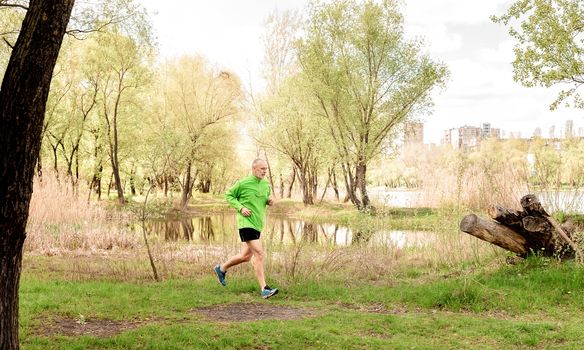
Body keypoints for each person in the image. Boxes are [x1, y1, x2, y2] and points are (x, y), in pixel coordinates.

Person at [214, 158, 279, 299]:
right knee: (260, 255)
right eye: (262, 168)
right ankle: (264, 289)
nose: (264, 171)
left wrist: (269, 201)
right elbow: (229, 195)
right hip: (246, 223)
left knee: (246, 256)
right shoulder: (243, 183)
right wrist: (241, 207)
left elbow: (266, 198)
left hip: (257, 224)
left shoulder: (265, 184)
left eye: (266, 169)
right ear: (254, 168)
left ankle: (221, 268)